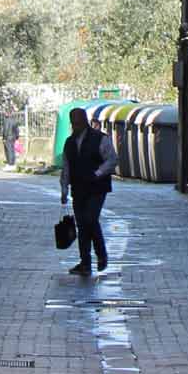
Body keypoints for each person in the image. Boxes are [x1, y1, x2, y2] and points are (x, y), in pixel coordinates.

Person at [59, 106, 118, 276]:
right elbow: (66, 167)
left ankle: (101, 255)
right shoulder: (69, 143)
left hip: (97, 187)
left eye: (78, 122)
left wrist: (97, 174)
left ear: (85, 121)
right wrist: (64, 189)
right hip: (78, 189)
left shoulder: (100, 139)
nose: (75, 126)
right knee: (82, 225)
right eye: (73, 123)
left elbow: (112, 160)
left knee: (90, 219)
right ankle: (85, 262)